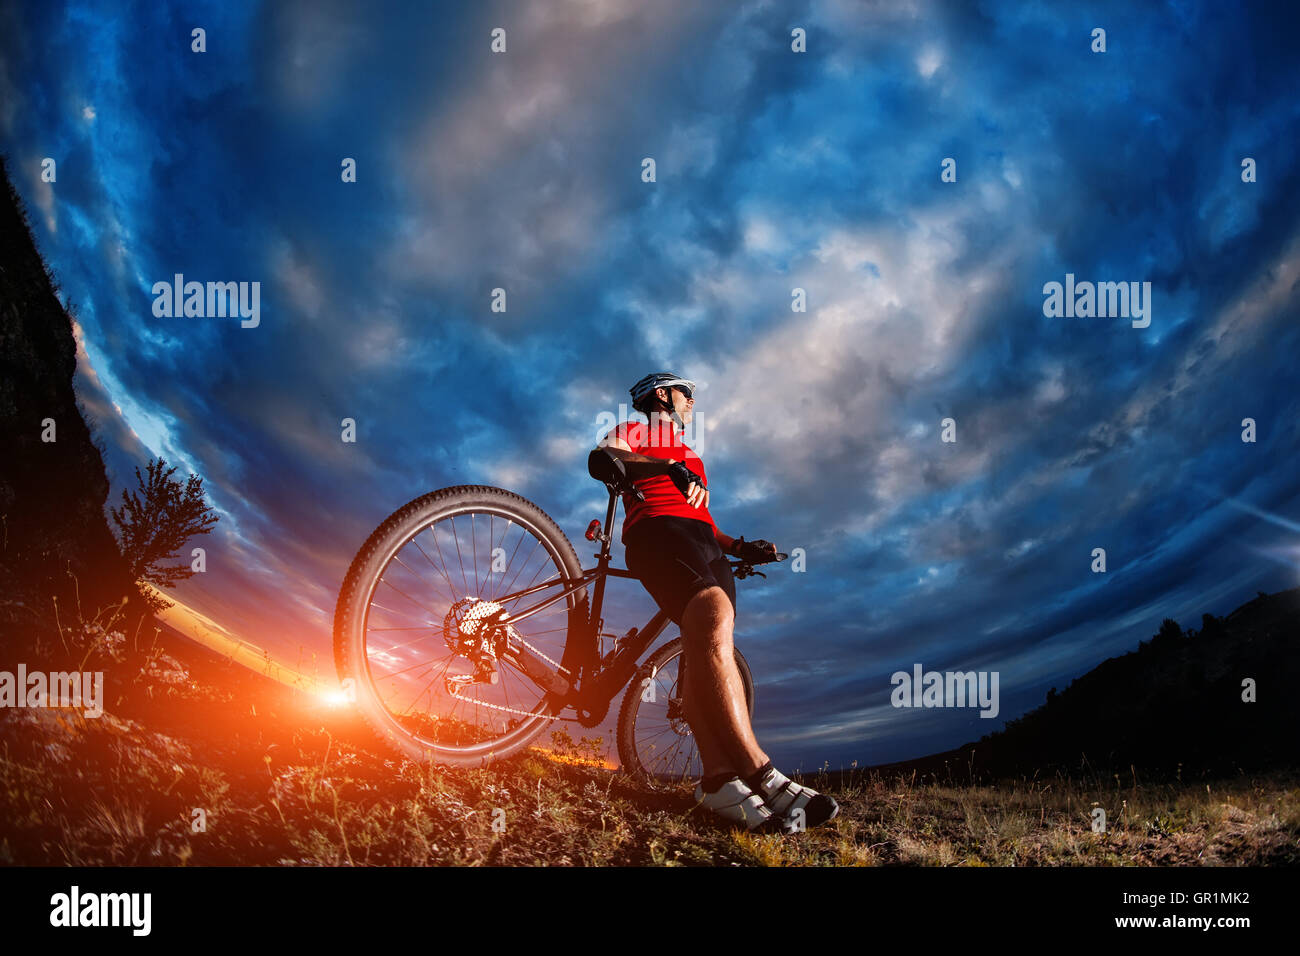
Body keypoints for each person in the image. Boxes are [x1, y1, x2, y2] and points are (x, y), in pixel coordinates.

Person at [595, 371, 839, 834]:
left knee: (710, 640)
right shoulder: (640, 432)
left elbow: (703, 517)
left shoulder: (692, 456)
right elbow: (604, 458)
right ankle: (761, 773)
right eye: (688, 394)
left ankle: (718, 782)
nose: (692, 402)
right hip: (657, 531)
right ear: (664, 395)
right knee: (712, 613)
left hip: (703, 541)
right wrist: (664, 469)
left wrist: (741, 546)